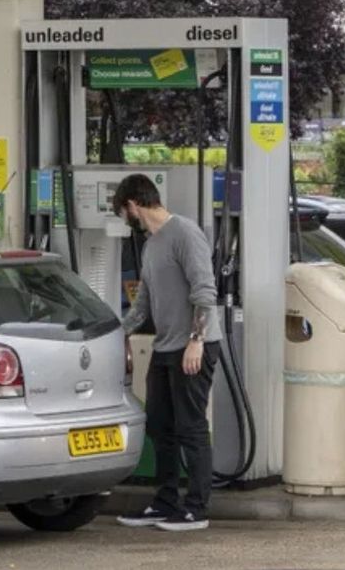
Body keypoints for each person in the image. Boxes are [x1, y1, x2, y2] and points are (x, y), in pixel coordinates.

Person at [112, 174, 221, 531]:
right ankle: (166, 500)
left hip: (193, 346)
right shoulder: (151, 245)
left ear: (132, 205)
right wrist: (118, 331)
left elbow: (205, 290)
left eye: (123, 212)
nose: (125, 219)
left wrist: (196, 340)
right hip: (165, 347)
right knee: (160, 425)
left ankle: (196, 508)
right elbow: (143, 303)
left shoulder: (185, 234)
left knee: (191, 427)